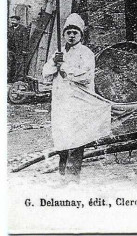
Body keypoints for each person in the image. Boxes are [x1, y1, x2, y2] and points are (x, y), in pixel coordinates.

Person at [42, 13, 110, 183]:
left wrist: (65, 67)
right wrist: (53, 63)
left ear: (81, 35)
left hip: (79, 103)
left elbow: (86, 76)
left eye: (75, 32)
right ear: (64, 34)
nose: (71, 36)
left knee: (77, 138)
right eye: (68, 32)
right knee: (62, 138)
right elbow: (46, 75)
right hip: (61, 103)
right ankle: (63, 174)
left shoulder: (86, 53)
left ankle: (73, 177)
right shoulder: (58, 52)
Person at [8, 15, 29, 83]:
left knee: (19, 64)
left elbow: (25, 40)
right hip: (11, 49)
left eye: (14, 20)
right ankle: (10, 79)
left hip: (19, 50)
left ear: (18, 21)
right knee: (11, 63)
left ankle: (19, 79)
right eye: (11, 20)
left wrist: (24, 49)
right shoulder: (10, 29)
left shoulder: (23, 29)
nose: (12, 22)